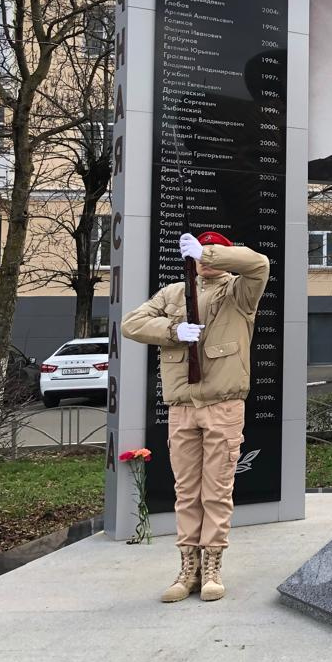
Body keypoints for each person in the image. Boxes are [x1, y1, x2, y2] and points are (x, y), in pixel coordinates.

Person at [122, 231, 270, 603]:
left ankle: (213, 566)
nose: (203, 261)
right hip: (182, 406)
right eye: (198, 253)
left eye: (211, 251)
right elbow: (132, 324)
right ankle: (188, 568)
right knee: (187, 492)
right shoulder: (174, 294)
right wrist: (173, 331)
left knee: (216, 491)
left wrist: (209, 252)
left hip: (223, 404)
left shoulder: (238, 292)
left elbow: (259, 263)